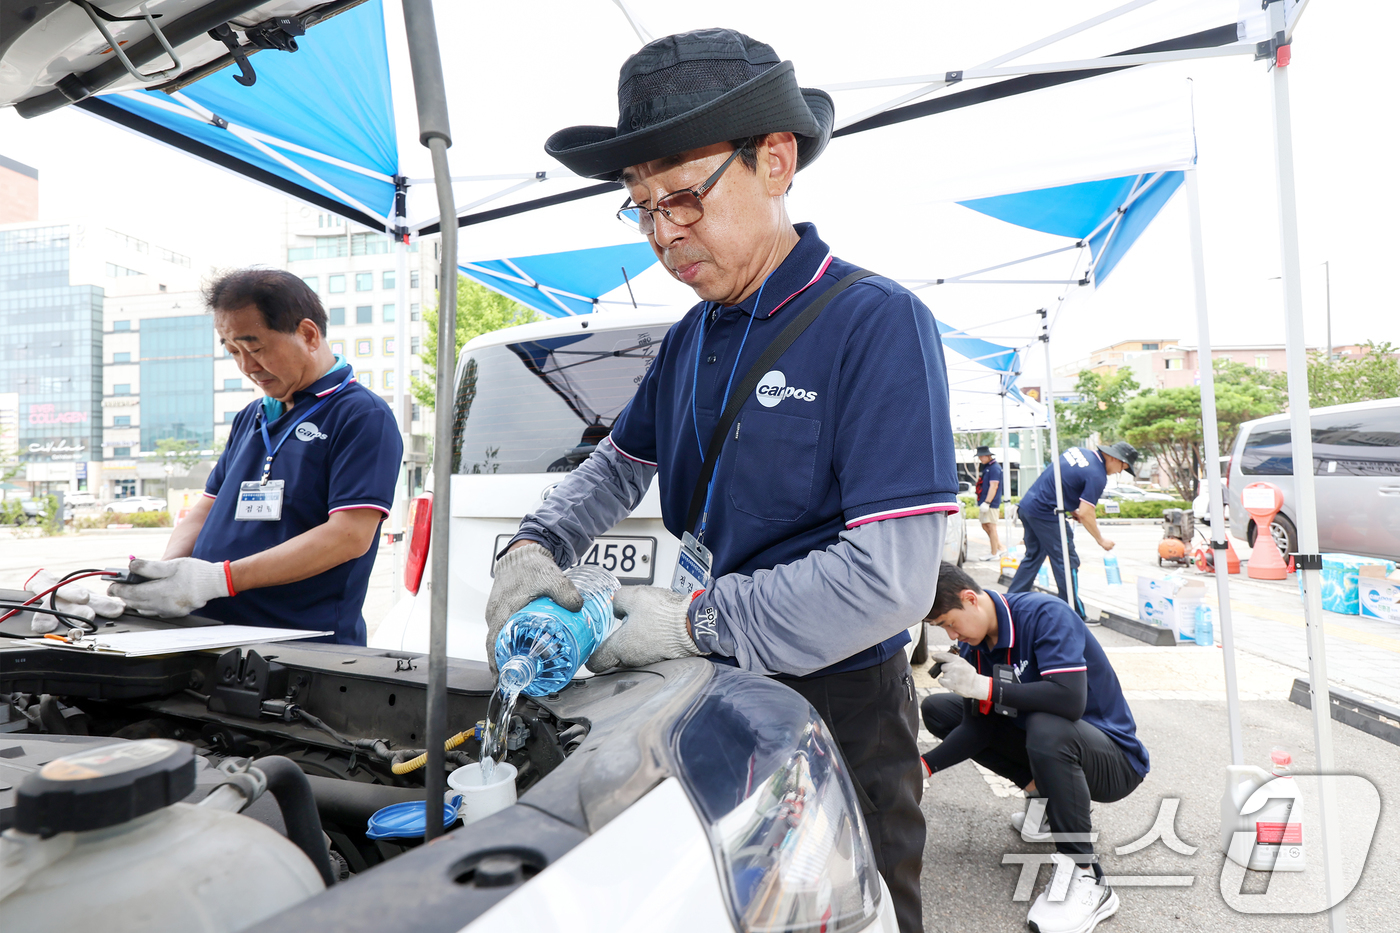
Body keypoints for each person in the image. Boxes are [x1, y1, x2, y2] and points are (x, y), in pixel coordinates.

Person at [484, 29, 957, 932]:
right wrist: (536, 545)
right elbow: (616, 467)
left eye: (684, 198)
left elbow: (892, 580)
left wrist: (691, 621)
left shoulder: (875, 324)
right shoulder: (689, 338)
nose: (665, 233)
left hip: (839, 703)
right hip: (711, 690)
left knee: (856, 910)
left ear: (774, 160)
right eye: (642, 208)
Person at [106, 270, 403, 645]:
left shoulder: (361, 415)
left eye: (256, 348)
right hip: (211, 632)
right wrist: (166, 575)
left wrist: (218, 580)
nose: (246, 366)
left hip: (299, 645)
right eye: (233, 351)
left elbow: (349, 535)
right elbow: (206, 508)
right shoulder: (253, 415)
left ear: (309, 335)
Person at [921, 563, 1148, 933]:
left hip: (1114, 760)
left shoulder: (1045, 615)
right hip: (1054, 749)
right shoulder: (976, 646)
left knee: (1047, 726)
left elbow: (1070, 700)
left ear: (970, 599)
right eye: (942, 628)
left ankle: (1088, 876)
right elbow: (977, 729)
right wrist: (922, 768)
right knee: (938, 709)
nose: (951, 632)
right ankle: (1045, 796)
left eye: (949, 621)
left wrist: (985, 687)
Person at [1009, 441, 1138, 618]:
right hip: (1048, 514)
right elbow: (1086, 513)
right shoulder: (1097, 475)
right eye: (1123, 467)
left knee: (1034, 556)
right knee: (1067, 562)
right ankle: (1074, 614)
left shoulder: (1077, 451)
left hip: (1028, 507)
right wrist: (1101, 540)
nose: (1119, 472)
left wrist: (1071, 510)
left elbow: (1061, 482)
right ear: (1115, 458)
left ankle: (1009, 603)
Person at [975, 445, 1005, 559]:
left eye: (982, 456)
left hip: (990, 502)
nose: (980, 459)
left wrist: (987, 502)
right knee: (985, 525)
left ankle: (994, 553)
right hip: (985, 501)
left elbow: (994, 486)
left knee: (991, 527)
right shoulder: (987, 467)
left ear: (988, 455)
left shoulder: (994, 468)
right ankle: (1000, 547)